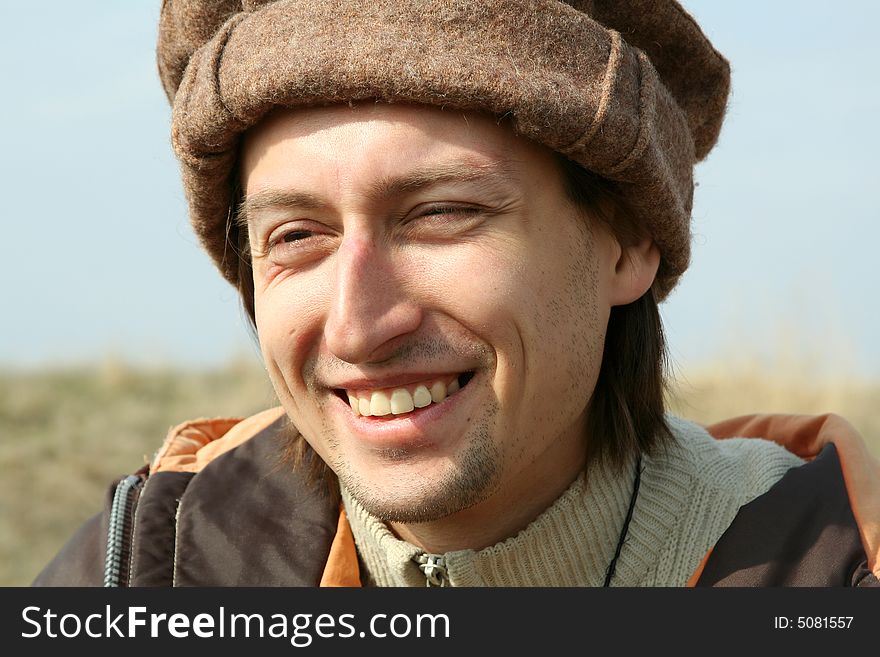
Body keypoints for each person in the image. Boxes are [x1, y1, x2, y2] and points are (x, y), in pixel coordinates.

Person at [34, 0, 878, 587]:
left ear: (628, 240)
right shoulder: (158, 560)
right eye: (297, 235)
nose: (360, 326)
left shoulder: (829, 571)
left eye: (441, 215)